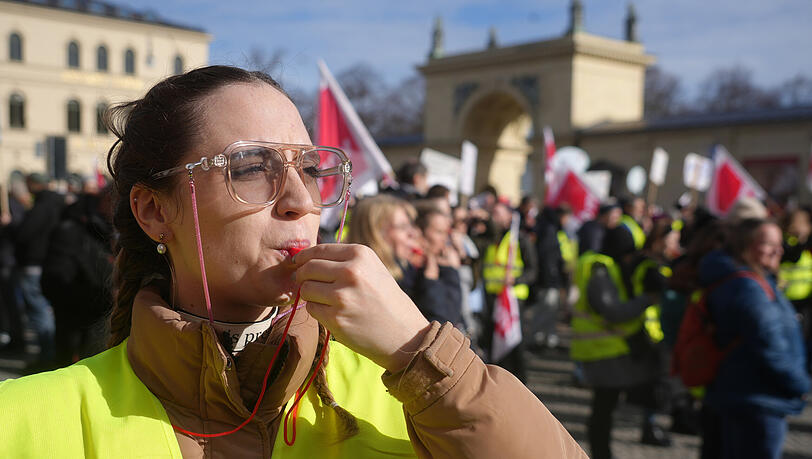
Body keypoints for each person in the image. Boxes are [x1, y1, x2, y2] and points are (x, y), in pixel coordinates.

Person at [0, 66, 585, 458]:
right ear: (155, 212)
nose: (303, 201)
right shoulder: (24, 422)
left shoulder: (410, 390)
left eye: (311, 168)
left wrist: (423, 356)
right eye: (251, 168)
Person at [698, 219, 810, 459]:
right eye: (769, 244)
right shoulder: (748, 287)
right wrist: (799, 383)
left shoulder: (749, 279)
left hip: (748, 394)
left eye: (779, 244)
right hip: (757, 398)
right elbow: (768, 343)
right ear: (745, 246)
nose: (778, 251)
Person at [570, 226, 665, 459]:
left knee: (605, 408)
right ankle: (602, 453)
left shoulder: (601, 265)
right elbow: (611, 311)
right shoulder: (601, 269)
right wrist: (646, 300)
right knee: (603, 409)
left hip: (604, 349)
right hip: (601, 350)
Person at [41, 185, 114, 368]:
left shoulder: (110, 230)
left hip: (101, 314)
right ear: (105, 201)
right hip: (79, 317)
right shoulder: (72, 229)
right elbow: (55, 278)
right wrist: (99, 298)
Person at [481, 200, 537, 381]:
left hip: (513, 299)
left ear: (509, 217)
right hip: (491, 297)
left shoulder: (519, 239)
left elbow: (533, 271)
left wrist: (516, 279)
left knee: (514, 343)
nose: (493, 217)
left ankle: (520, 381)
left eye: (497, 213)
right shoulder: (490, 237)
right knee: (494, 342)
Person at [14, 172, 65, 369]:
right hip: (48, 261)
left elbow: (26, 233)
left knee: (39, 310)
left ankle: (47, 356)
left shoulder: (42, 206)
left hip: (34, 262)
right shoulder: (57, 203)